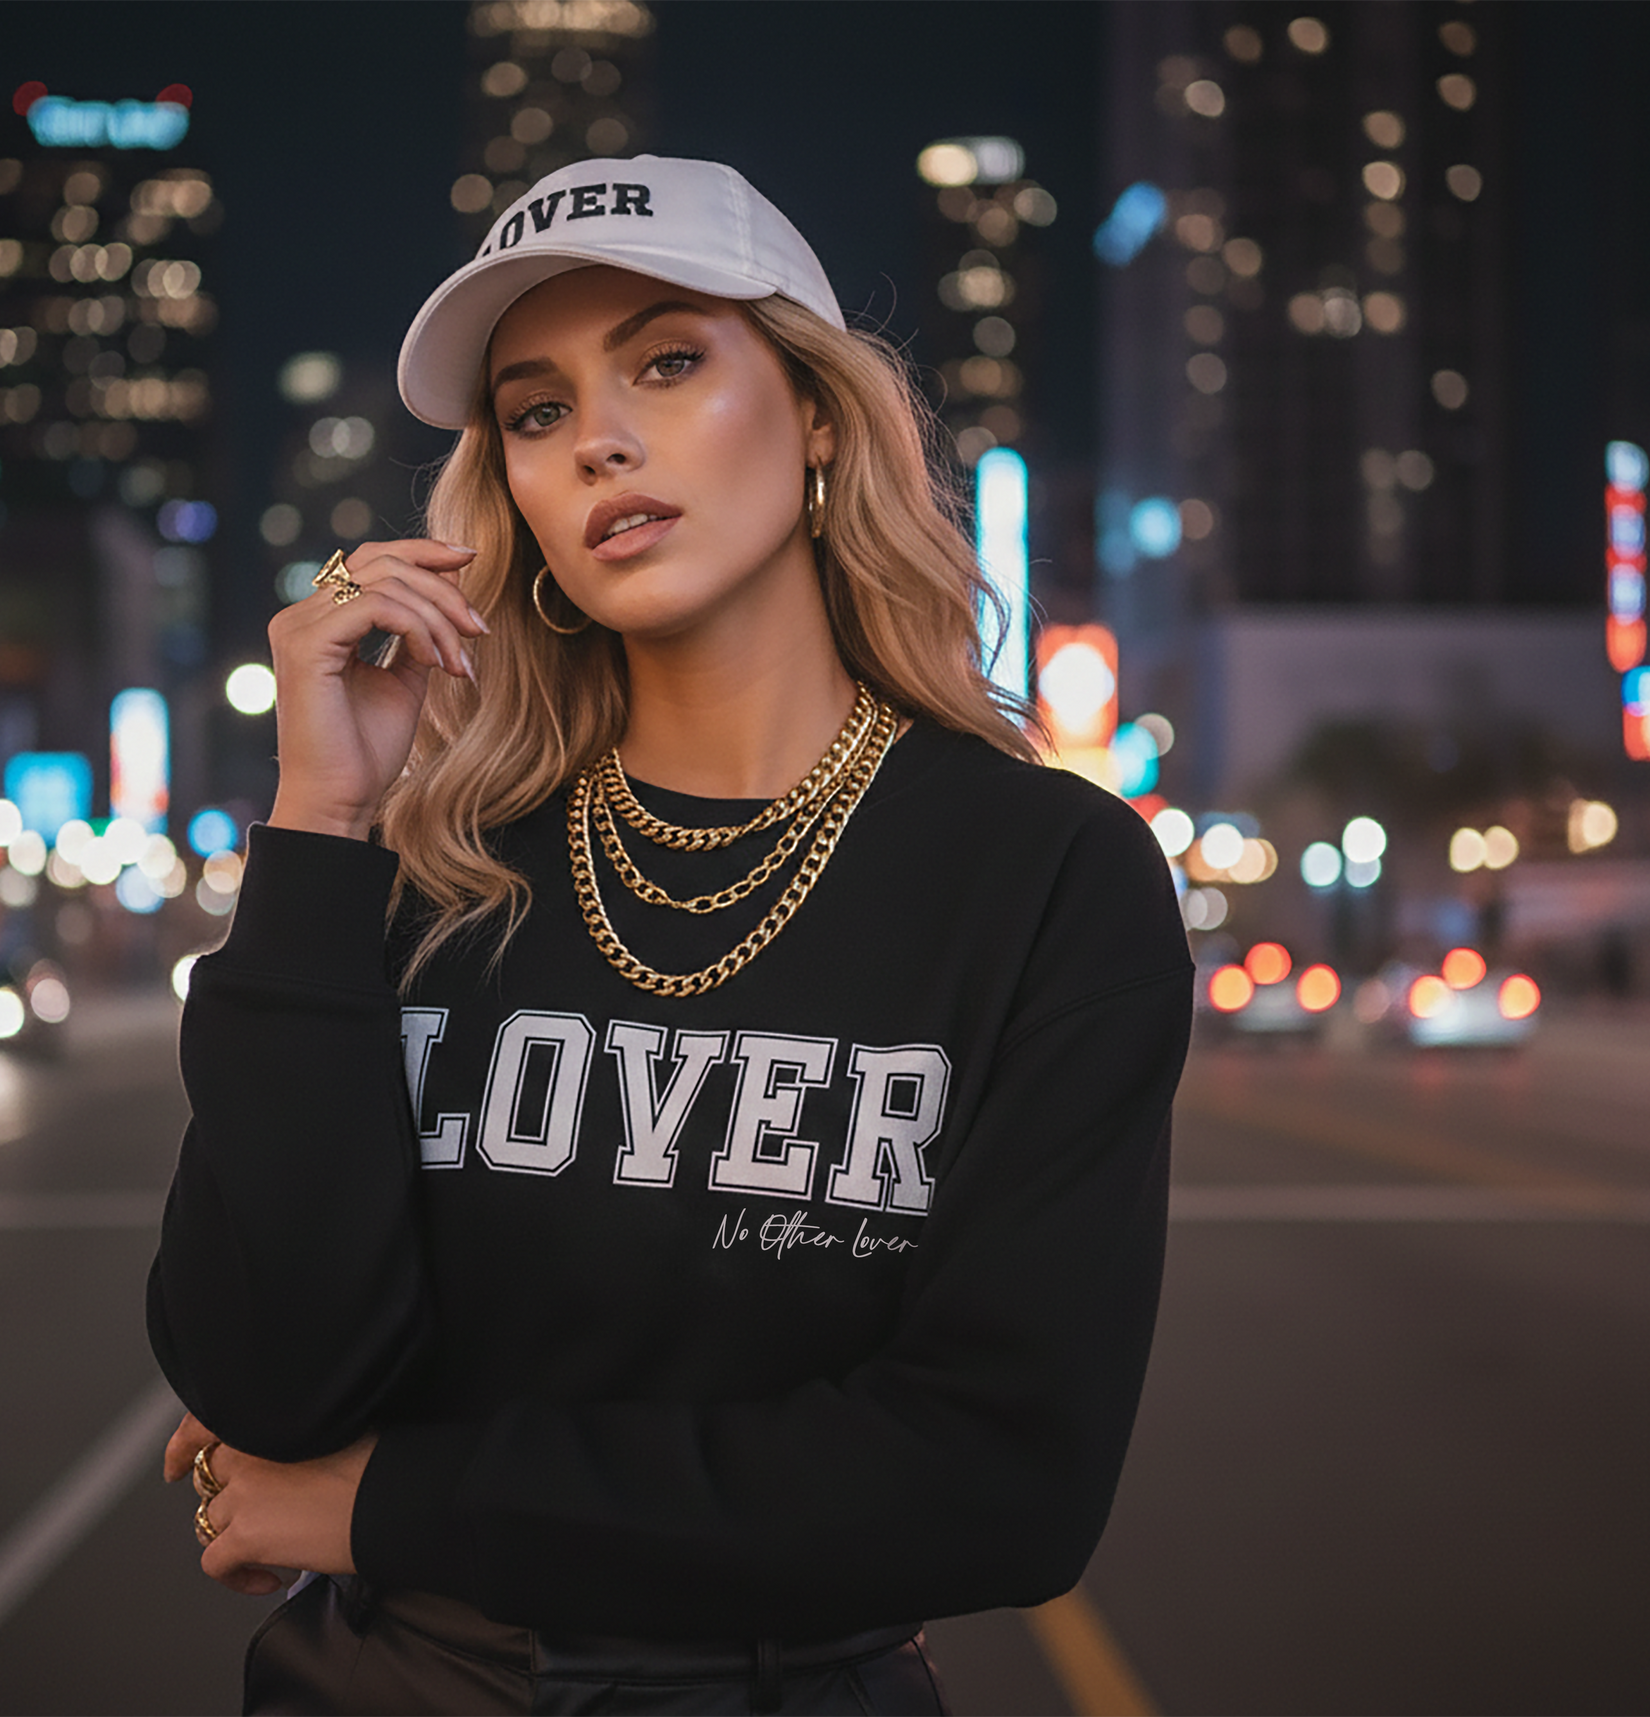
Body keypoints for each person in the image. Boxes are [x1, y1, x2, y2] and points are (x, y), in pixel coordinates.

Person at [148, 155, 1193, 1715]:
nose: (602, 442)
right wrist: (319, 822)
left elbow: (995, 1478)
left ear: (821, 415)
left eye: (669, 360)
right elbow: (266, 1380)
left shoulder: (1046, 872)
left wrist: (383, 1501)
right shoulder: (435, 869)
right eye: (538, 410)